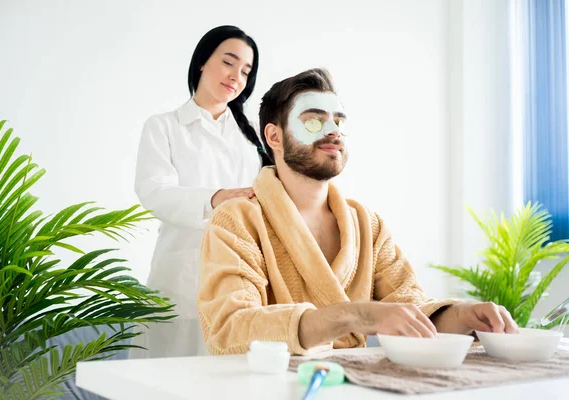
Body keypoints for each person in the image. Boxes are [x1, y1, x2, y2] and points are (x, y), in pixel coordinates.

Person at [197, 68, 519, 355]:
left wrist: (462, 315)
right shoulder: (237, 221)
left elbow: (412, 310)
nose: (333, 130)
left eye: (338, 121)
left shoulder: (367, 225)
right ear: (274, 137)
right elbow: (230, 330)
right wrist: (356, 315)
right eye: (313, 120)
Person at [131, 25, 272, 358]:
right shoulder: (163, 126)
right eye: (228, 62)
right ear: (202, 63)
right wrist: (215, 198)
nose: (236, 76)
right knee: (165, 381)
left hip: (239, 282)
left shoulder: (252, 140)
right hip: (179, 279)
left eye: (246, 71)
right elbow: (154, 192)